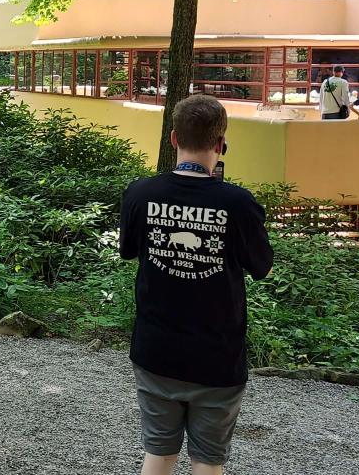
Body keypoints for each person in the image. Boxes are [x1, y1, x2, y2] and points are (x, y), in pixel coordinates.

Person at [119, 95, 273, 475]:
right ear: (221, 144)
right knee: (207, 460)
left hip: (156, 352)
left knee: (158, 452)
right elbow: (262, 267)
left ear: (173, 139)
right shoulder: (238, 204)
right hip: (217, 358)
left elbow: (128, 251)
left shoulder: (140, 194)